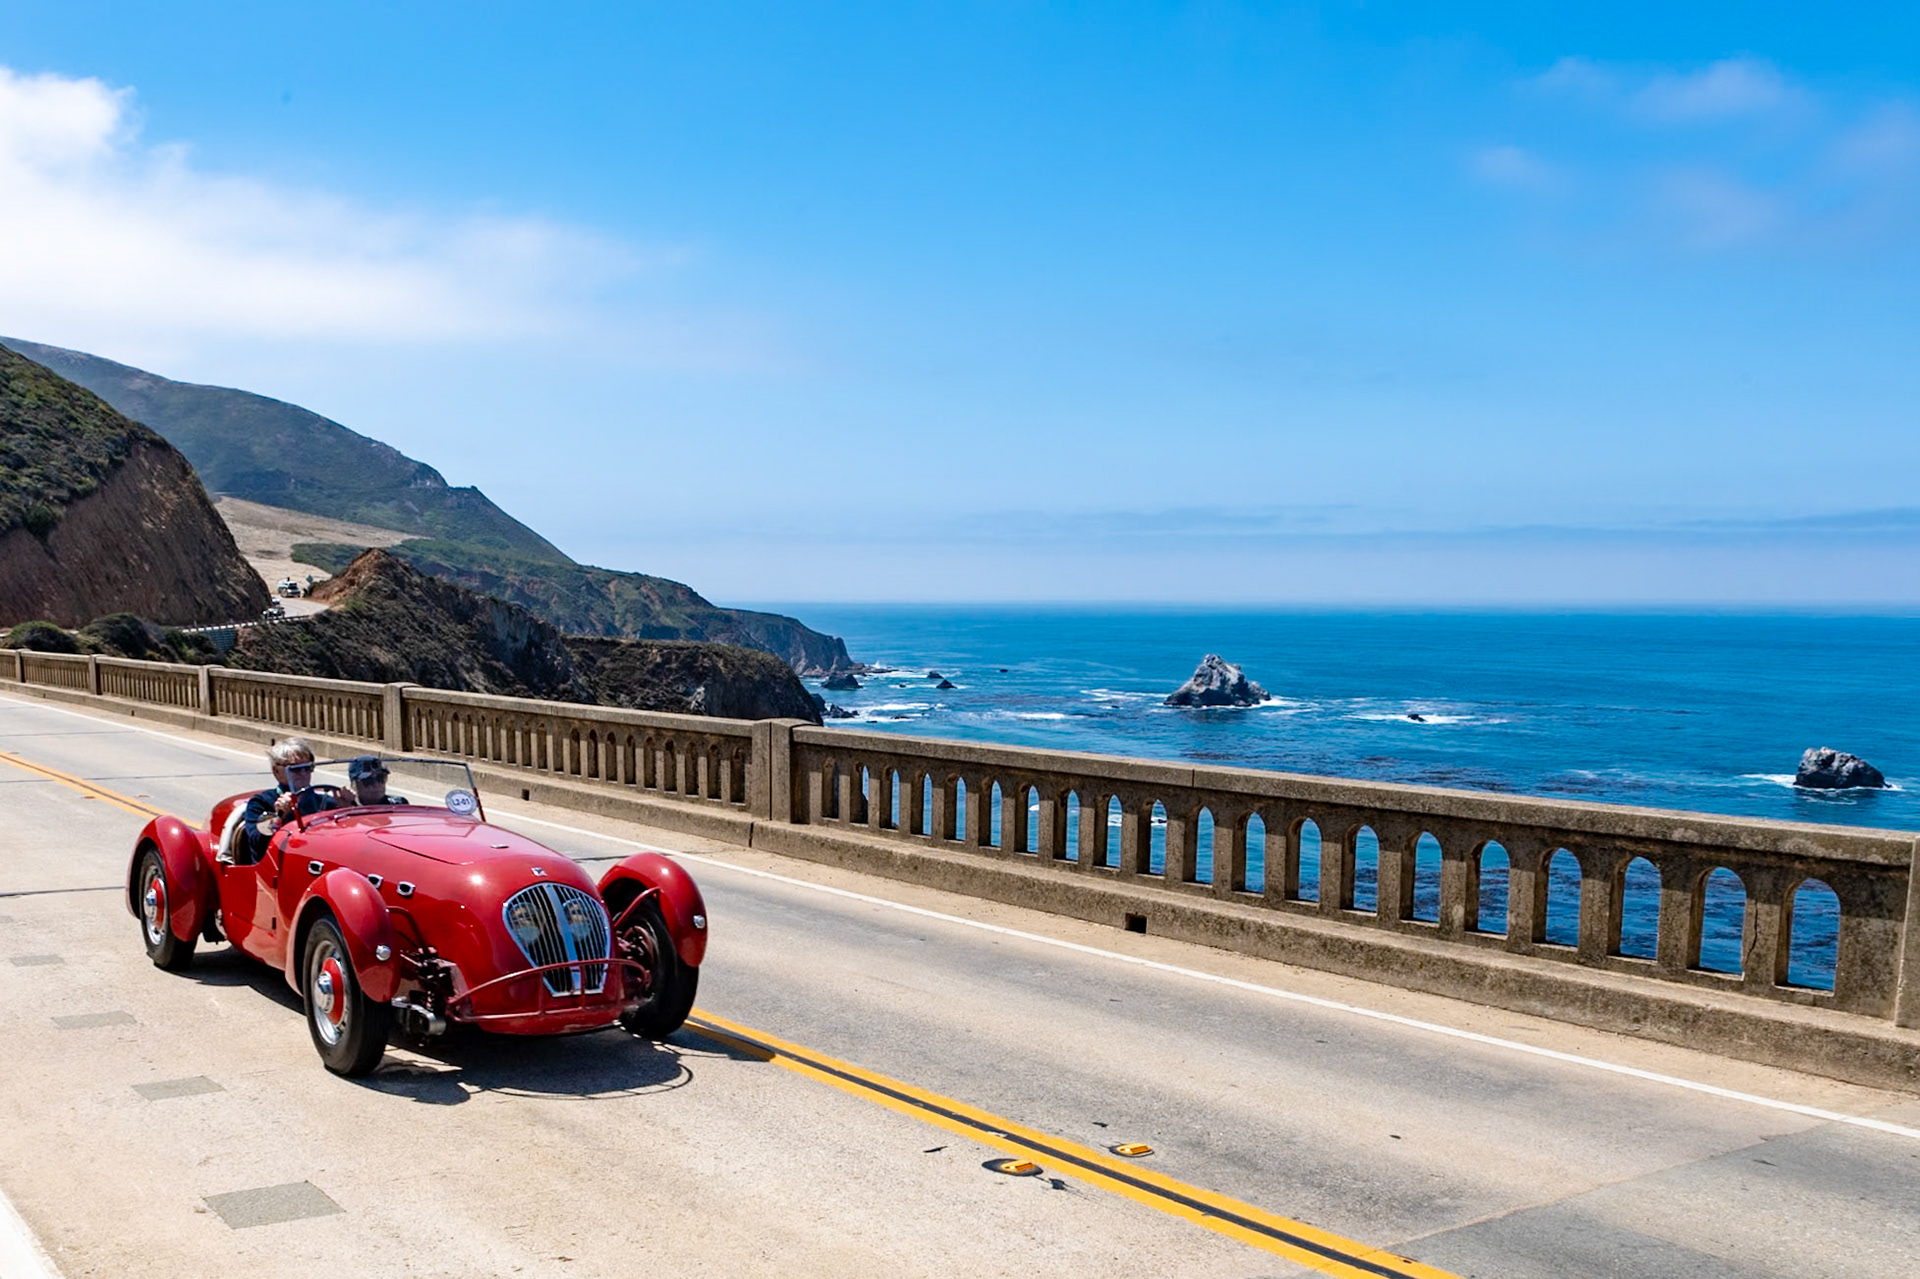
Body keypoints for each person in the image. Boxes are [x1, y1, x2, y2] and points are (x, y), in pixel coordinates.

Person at [232, 738, 338, 864]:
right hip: (277, 867)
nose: (303, 773)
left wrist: (348, 806)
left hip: (316, 861)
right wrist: (279, 816)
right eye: (296, 768)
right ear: (276, 770)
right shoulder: (261, 803)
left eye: (308, 768)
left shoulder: (324, 801)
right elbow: (257, 844)